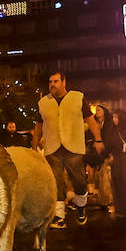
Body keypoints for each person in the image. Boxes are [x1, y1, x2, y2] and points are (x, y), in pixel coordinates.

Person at [34, 72, 102, 227]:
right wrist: (34, 145)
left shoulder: (77, 98)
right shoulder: (43, 102)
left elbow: (91, 122)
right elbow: (38, 126)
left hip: (73, 147)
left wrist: (98, 139)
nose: (52, 84)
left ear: (64, 82)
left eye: (56, 81)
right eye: (50, 81)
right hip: (52, 148)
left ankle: (81, 208)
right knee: (56, 183)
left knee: (79, 182)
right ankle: (59, 216)